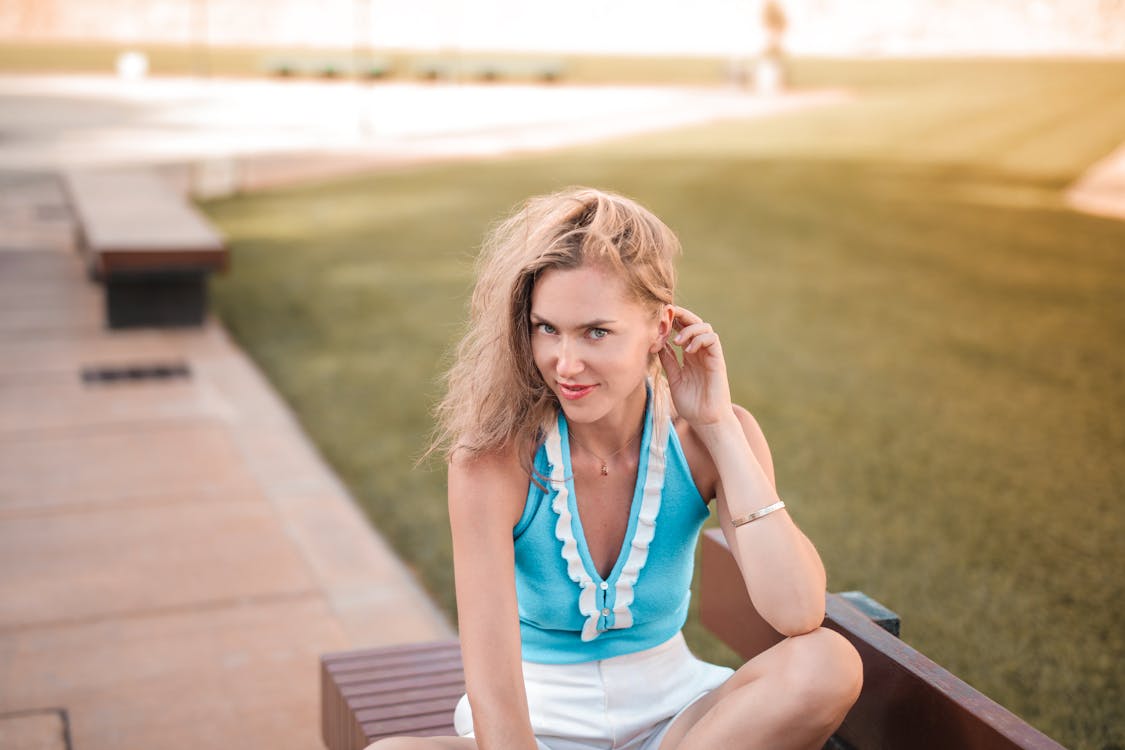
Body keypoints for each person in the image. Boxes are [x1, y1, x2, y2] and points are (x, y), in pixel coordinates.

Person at [370, 187, 863, 750]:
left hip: (676, 720)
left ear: (660, 329)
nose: (566, 363)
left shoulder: (708, 441)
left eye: (596, 332)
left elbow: (798, 612)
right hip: (539, 726)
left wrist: (720, 426)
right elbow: (495, 689)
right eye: (546, 328)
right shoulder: (492, 461)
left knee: (829, 663)